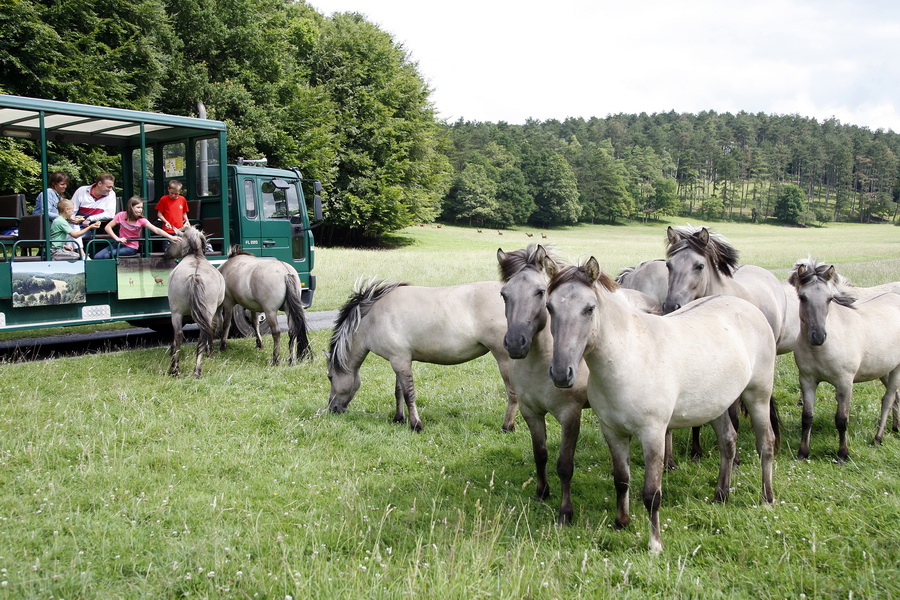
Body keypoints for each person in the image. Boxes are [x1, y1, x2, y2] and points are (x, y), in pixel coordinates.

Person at [94, 196, 177, 260]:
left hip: (131, 247)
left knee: (108, 255)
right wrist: (117, 238)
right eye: (138, 207)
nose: (140, 210)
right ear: (131, 207)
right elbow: (108, 227)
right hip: (119, 244)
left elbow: (156, 229)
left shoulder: (141, 220)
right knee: (97, 257)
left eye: (141, 208)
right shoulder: (121, 215)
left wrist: (170, 237)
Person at [155, 180, 190, 248]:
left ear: (180, 192)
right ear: (168, 189)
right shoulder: (164, 199)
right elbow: (159, 214)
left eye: (176, 194)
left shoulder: (182, 199)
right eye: (171, 193)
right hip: (168, 230)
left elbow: (184, 213)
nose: (173, 195)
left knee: (181, 247)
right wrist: (166, 222)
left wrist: (187, 221)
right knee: (167, 247)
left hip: (180, 230)